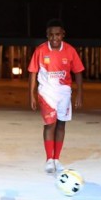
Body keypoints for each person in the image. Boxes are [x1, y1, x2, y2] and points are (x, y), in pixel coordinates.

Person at [28, 18, 84, 173]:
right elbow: (33, 72)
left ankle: (57, 159)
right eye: (51, 35)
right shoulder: (40, 50)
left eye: (57, 35)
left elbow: (78, 72)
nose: (54, 38)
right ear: (47, 35)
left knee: (61, 124)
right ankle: (49, 159)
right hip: (46, 92)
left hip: (64, 92)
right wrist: (32, 94)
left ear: (63, 34)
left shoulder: (70, 50)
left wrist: (79, 94)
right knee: (49, 124)